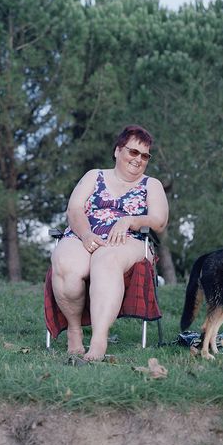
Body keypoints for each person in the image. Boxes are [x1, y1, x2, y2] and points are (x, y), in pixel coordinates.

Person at [51, 125, 169, 362]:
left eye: (145, 155)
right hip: (85, 233)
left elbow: (159, 221)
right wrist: (85, 235)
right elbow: (74, 209)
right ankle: (74, 330)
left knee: (106, 259)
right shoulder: (94, 176)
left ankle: (98, 339)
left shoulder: (151, 184)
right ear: (117, 151)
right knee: (65, 263)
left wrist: (130, 220)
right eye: (133, 152)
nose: (138, 160)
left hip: (129, 240)